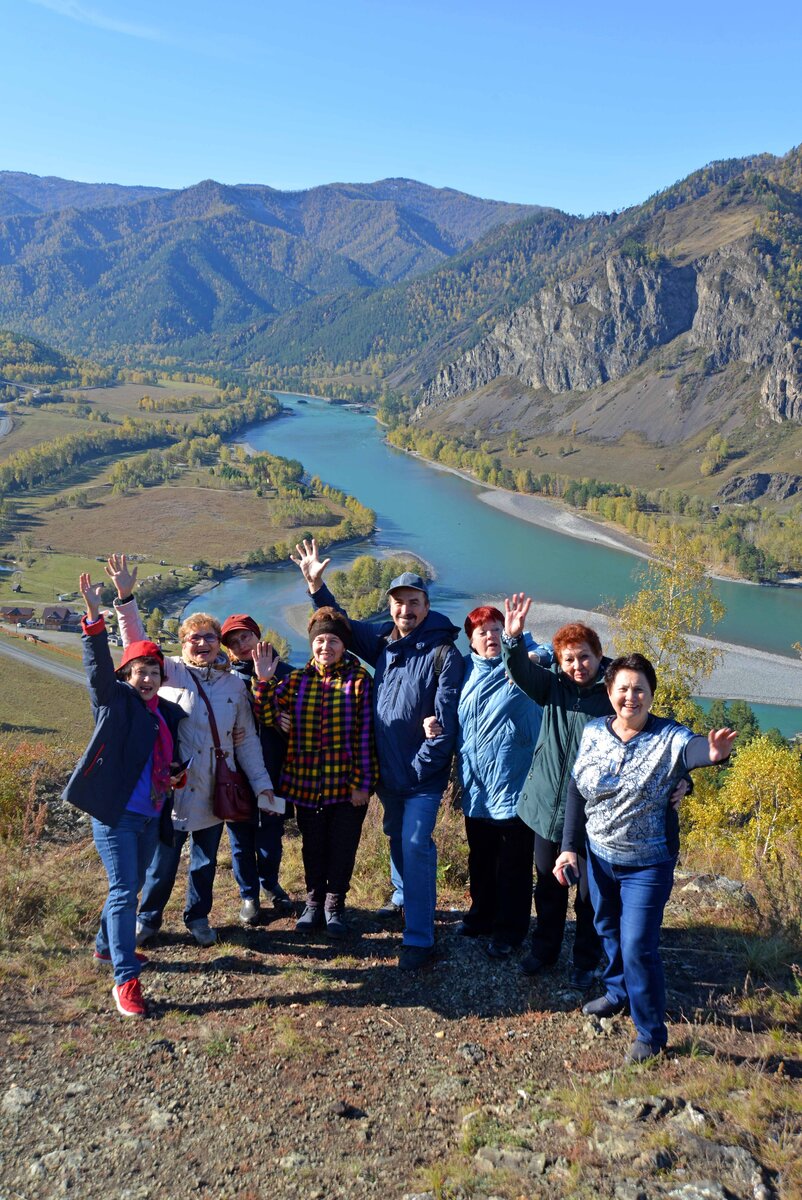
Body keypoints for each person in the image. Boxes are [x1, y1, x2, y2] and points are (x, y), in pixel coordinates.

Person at [555, 653, 736, 1063]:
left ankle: (650, 1033)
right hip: (598, 856)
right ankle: (618, 991)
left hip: (648, 862)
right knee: (607, 928)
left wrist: (713, 754)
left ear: (652, 695)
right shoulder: (593, 732)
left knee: (638, 944)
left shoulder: (668, 737)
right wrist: (570, 846)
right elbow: (576, 791)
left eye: (640, 689)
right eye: (623, 688)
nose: (630, 697)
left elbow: (693, 752)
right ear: (610, 692)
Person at [291, 539, 462, 970]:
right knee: (396, 837)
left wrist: (416, 768)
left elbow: (444, 727)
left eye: (414, 602)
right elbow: (342, 626)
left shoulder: (444, 652)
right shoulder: (383, 642)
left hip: (419, 775)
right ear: (390, 607)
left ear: (427, 605)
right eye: (399, 602)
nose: (406, 610)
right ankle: (403, 896)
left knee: (416, 843)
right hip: (386, 773)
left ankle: (420, 938)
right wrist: (317, 589)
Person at [105, 554, 274, 947]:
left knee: (204, 862)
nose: (202, 643)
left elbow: (245, 739)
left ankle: (198, 917)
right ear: (183, 644)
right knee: (162, 862)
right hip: (172, 785)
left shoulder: (234, 686)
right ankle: (148, 919)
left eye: (209, 638)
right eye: (194, 638)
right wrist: (126, 599)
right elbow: (135, 648)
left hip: (217, 785)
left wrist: (262, 786)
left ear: (219, 645)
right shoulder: (172, 672)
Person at [62, 572, 186, 1018]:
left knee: (128, 886)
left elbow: (159, 760)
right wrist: (95, 620)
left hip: (152, 815)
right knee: (123, 891)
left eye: (155, 671)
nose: (149, 677)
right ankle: (125, 978)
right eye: (140, 671)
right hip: (115, 815)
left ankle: (103, 948)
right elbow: (96, 669)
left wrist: (174, 774)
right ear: (127, 676)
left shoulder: (164, 714)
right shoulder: (113, 702)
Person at [423, 606, 552, 959]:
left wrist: (532, 651)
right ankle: (481, 916)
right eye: (482, 632)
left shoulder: (524, 665)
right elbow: (445, 707)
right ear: (471, 640)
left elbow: (553, 653)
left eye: (496, 629)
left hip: (515, 785)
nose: (491, 636)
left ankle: (510, 930)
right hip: (476, 787)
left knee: (513, 863)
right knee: (481, 858)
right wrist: (432, 722)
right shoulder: (463, 671)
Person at [502, 594, 611, 988]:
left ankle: (585, 958)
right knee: (548, 886)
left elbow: (650, 732)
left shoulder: (613, 697)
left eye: (584, 657)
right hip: (547, 808)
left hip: (593, 816)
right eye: (569, 659)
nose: (578, 666)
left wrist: (683, 777)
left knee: (587, 897)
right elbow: (519, 672)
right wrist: (513, 640)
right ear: (560, 663)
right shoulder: (553, 689)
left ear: (598, 656)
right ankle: (544, 949)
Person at [252, 607, 378, 938]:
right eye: (320, 640)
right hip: (306, 784)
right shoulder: (295, 681)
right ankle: (312, 904)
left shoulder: (359, 681)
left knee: (343, 845)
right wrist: (264, 682)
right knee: (313, 846)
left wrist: (362, 783)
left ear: (345, 645)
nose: (326, 647)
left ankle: (335, 907)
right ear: (312, 643)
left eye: (333, 640)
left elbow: (366, 735)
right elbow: (265, 716)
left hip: (347, 786)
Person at [220, 613, 294, 923]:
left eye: (245, 637)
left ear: (258, 636)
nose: (240, 645)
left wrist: (291, 725)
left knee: (271, 838)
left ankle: (270, 883)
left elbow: (304, 722)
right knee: (240, 839)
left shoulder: (289, 675)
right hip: (236, 776)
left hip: (277, 773)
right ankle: (248, 895)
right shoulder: (225, 680)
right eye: (234, 643)